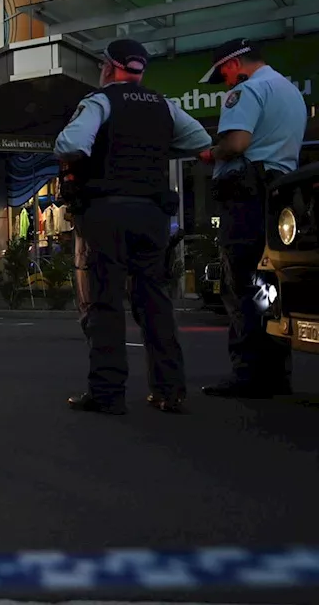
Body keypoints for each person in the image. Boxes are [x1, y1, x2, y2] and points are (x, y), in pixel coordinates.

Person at [54, 38, 212, 415]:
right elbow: (202, 143)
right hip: (152, 216)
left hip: (106, 214)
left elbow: (70, 145)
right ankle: (169, 390)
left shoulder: (101, 101)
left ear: (109, 67)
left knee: (104, 303)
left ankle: (107, 393)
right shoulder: (165, 106)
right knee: (154, 302)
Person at [196, 39, 306, 399]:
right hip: (280, 194)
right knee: (269, 284)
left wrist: (213, 152)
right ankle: (277, 373)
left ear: (234, 64)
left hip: (246, 196)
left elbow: (238, 143)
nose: (226, 83)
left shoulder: (246, 91)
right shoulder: (289, 90)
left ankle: (248, 373)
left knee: (240, 281)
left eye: (224, 75)